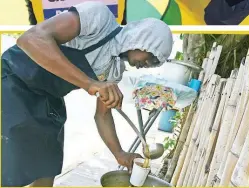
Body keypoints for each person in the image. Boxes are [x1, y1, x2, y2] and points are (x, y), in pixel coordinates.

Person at [1, 1, 173, 187]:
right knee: (12, 167)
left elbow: (102, 115)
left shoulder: (114, 71)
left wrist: (119, 154)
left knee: (46, 167)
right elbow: (31, 39)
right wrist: (89, 83)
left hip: (48, 98)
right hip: (14, 80)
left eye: (155, 64)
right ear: (144, 39)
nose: (147, 65)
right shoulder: (99, 18)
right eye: (152, 57)